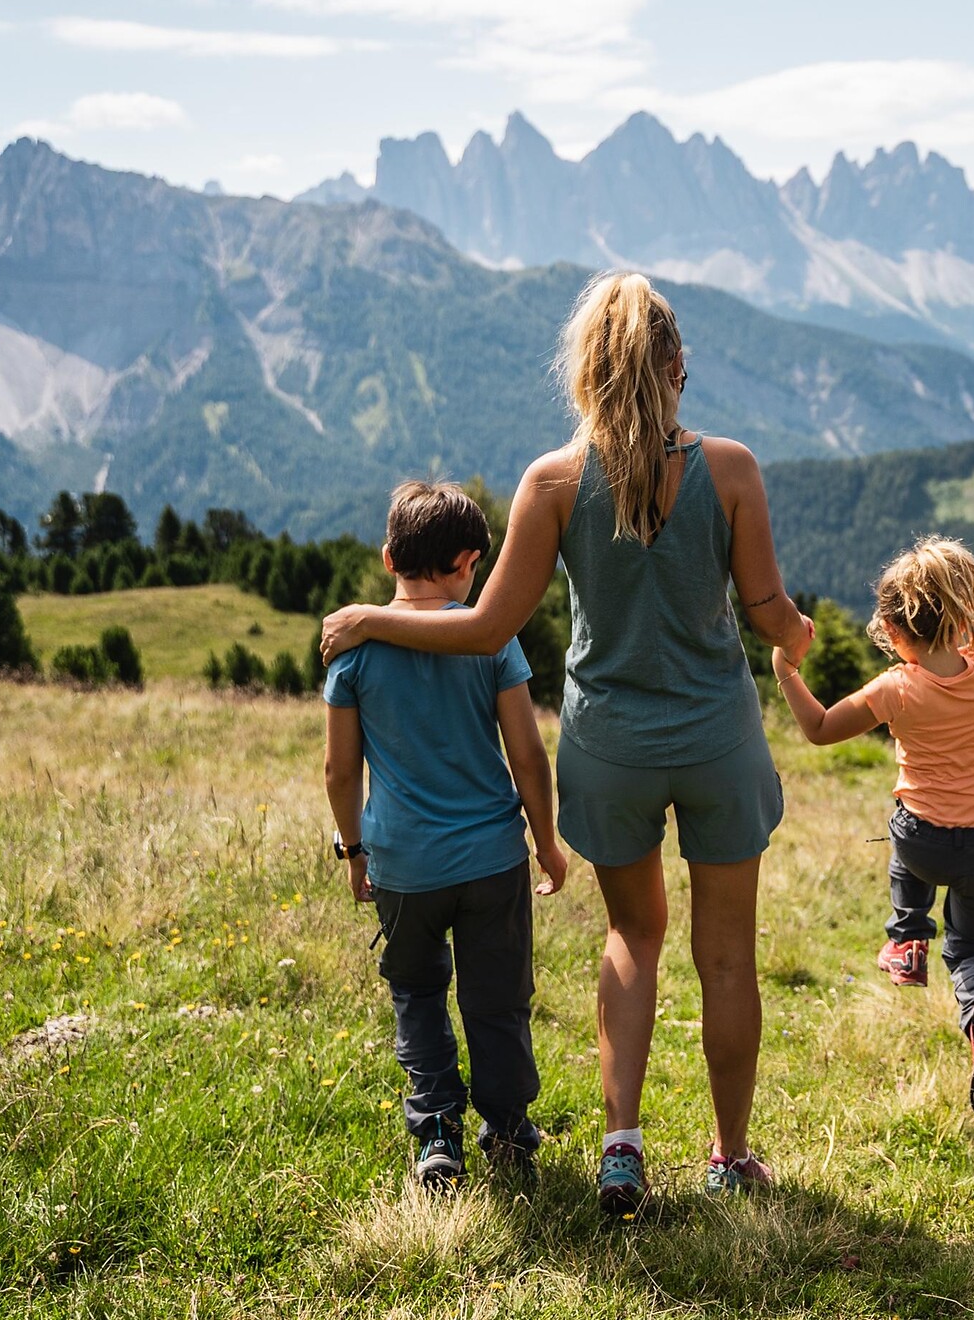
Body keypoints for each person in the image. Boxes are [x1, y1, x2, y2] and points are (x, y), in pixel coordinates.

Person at [321, 273, 813, 1217]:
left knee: (634, 933)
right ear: (674, 367)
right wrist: (802, 637)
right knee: (727, 957)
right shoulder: (734, 468)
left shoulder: (553, 481)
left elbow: (483, 625)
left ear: (586, 370)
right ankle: (729, 1154)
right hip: (718, 740)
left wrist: (375, 621)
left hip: (610, 747)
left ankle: (621, 1148)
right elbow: (769, 616)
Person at [322, 480, 570, 1190]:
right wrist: (546, 843)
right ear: (469, 562)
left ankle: (436, 1133)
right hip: (492, 859)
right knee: (498, 997)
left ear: (388, 555)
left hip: (403, 863)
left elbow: (341, 770)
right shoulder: (491, 641)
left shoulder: (353, 648)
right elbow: (527, 754)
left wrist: (354, 851)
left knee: (418, 995)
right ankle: (509, 1126)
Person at [770, 498, 974, 1120]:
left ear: (894, 633)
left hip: (923, 844)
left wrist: (787, 668)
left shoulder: (896, 687)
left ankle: (907, 938)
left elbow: (816, 728)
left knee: (905, 828)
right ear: (963, 614)